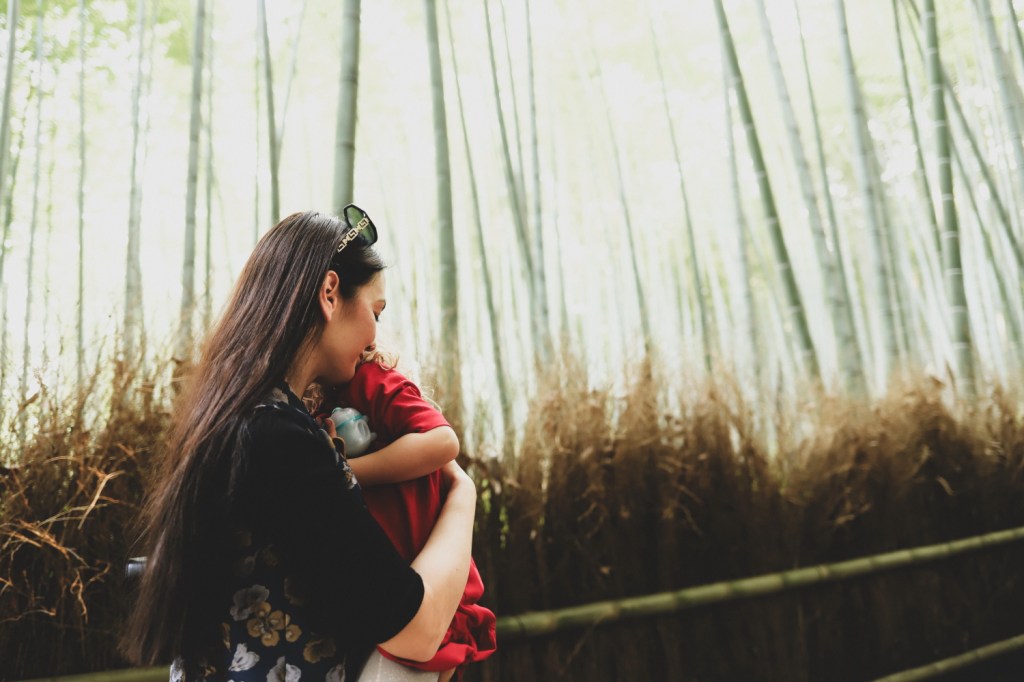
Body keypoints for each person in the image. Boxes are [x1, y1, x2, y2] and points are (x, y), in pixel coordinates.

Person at [120, 208, 478, 682]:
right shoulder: (280, 440)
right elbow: (416, 632)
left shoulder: (241, 421)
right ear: (330, 294)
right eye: (375, 312)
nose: (375, 335)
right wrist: (463, 496)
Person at [316, 353, 496, 680]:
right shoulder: (313, 402)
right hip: (389, 597)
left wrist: (345, 473)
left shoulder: (370, 379)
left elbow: (442, 442)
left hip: (427, 594)